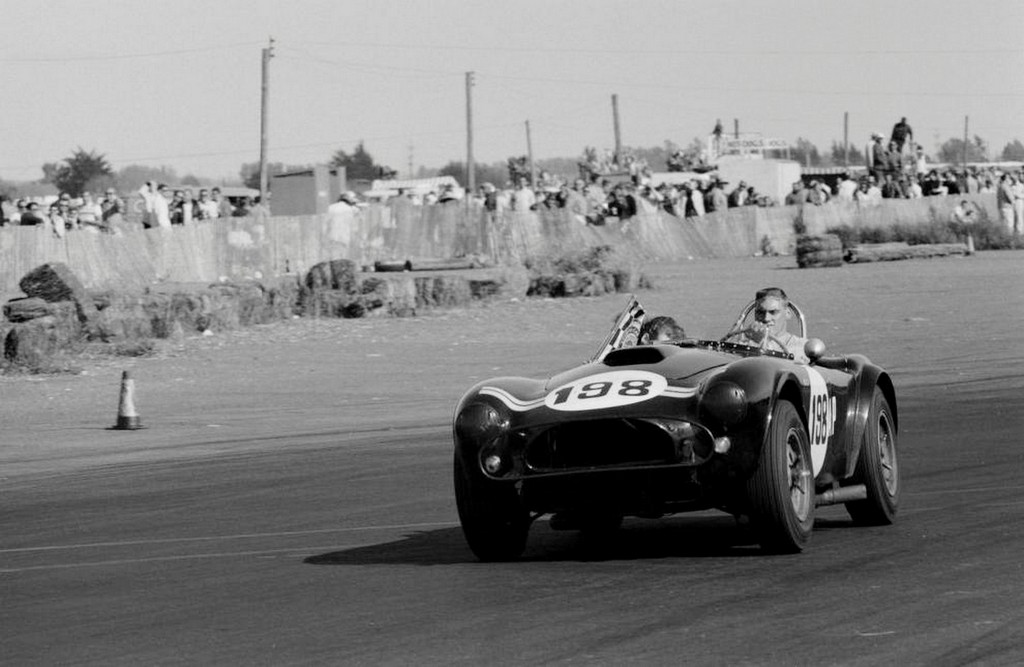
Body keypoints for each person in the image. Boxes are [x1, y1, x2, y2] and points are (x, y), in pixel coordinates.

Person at [728, 287, 808, 363]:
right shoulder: (742, 346)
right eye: (760, 312)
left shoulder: (804, 347)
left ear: (787, 313)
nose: (766, 318)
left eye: (773, 312)